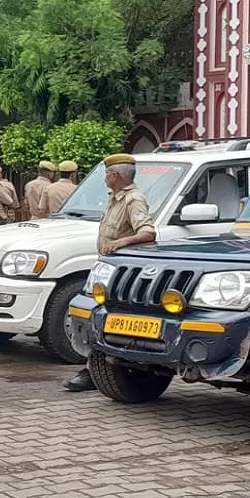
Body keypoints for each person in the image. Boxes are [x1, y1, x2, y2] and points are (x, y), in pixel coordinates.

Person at [64, 153, 156, 392]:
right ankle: (96, 368)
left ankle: (94, 370)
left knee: (101, 317)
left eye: (107, 173)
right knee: (94, 316)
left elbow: (148, 233)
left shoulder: (133, 200)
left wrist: (121, 243)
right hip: (106, 268)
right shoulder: (115, 198)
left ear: (115, 176)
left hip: (119, 273)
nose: (105, 177)